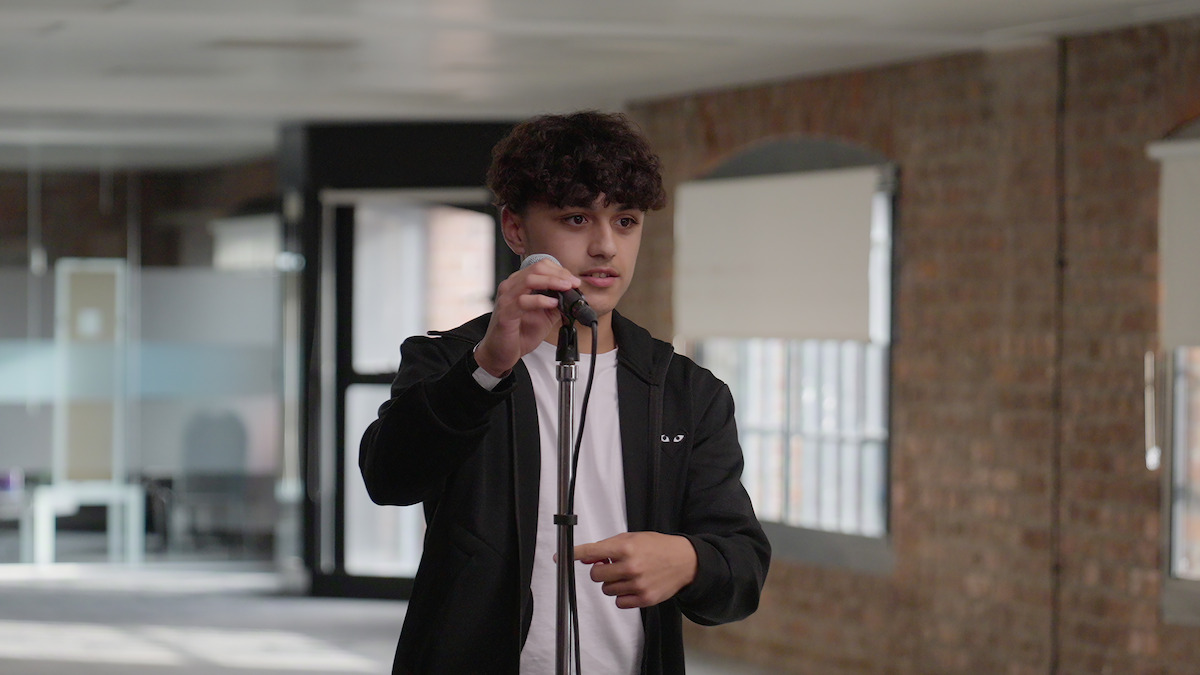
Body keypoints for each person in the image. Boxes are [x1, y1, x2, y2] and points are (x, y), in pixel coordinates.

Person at [359, 110, 770, 675]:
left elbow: (743, 567)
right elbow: (389, 477)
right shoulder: (449, 363)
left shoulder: (686, 392)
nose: (605, 246)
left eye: (625, 221)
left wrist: (689, 559)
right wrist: (488, 366)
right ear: (515, 229)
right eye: (577, 219)